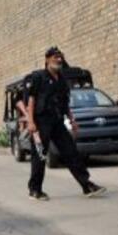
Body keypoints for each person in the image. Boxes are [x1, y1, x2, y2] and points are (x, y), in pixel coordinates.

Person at [26, 47, 106, 201]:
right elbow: (31, 100)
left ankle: (86, 185)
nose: (59, 60)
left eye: (60, 57)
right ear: (47, 59)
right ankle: (35, 190)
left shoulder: (62, 80)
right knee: (40, 155)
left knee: (71, 152)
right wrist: (30, 122)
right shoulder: (38, 77)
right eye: (56, 57)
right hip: (41, 122)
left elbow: (65, 102)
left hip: (57, 122)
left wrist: (72, 120)